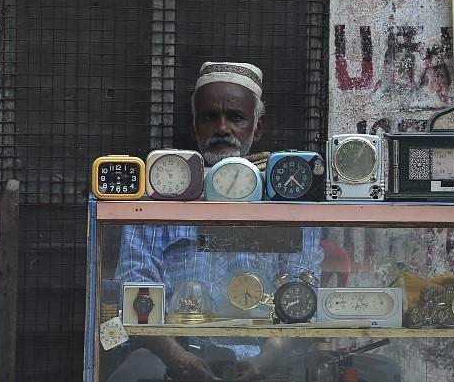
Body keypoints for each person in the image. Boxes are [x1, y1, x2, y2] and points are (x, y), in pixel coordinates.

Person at [111, 62, 323, 382]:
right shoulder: (155, 205)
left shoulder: (289, 204)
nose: (222, 129)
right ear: (195, 125)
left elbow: (303, 293)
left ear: (258, 126)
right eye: (210, 117)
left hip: (267, 357)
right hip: (173, 353)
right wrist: (179, 360)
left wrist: (263, 363)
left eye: (236, 118)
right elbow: (133, 292)